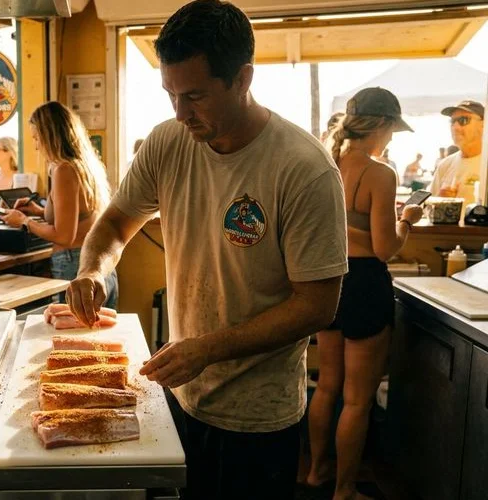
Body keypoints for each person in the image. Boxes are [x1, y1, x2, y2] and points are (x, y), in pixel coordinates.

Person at [65, 2, 347, 498]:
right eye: (170, 94)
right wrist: (93, 269)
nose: (180, 112)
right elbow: (114, 223)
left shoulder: (303, 168)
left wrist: (208, 349)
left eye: (194, 95)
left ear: (242, 79)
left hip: (257, 417)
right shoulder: (168, 142)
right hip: (180, 393)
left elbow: (317, 305)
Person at [306, 87, 423, 500]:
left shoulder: (325, 163)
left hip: (327, 280)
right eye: (391, 129)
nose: (391, 138)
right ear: (380, 124)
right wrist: (407, 219)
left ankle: (317, 473)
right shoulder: (381, 174)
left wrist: (347, 228)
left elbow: (321, 228)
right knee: (358, 400)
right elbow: (384, 248)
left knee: (326, 385)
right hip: (366, 286)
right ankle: (344, 490)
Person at [0, 101, 118, 309]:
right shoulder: (83, 165)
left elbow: (64, 236)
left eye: (37, 138)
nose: (36, 146)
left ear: (50, 136)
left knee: (72, 339)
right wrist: (37, 210)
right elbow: (78, 214)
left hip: (75, 265)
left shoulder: (63, 170)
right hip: (100, 266)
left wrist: (25, 221)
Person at [429, 100, 484, 204]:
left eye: (463, 120)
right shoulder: (445, 165)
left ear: (483, 125)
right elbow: (427, 210)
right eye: (452, 122)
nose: (455, 127)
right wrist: (441, 202)